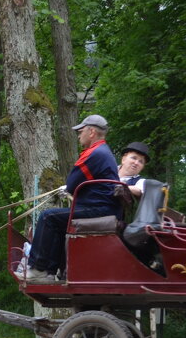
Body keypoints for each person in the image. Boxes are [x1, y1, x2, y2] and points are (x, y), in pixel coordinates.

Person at [22, 115, 121, 284]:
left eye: (80, 131)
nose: (78, 135)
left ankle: (39, 269)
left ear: (91, 132)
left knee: (48, 217)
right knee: (58, 220)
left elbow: (72, 183)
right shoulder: (103, 152)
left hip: (98, 210)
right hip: (103, 208)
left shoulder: (94, 153)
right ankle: (50, 271)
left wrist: (69, 188)